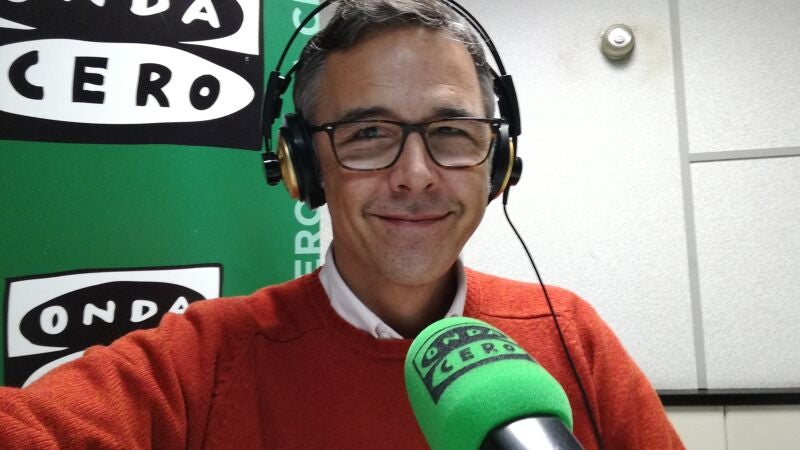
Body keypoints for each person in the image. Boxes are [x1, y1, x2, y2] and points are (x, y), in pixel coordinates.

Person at [0, 1, 684, 448]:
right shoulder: (202, 362)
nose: (416, 174)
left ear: (498, 158)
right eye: (368, 133)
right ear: (304, 165)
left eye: (451, 131)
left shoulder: (571, 335)